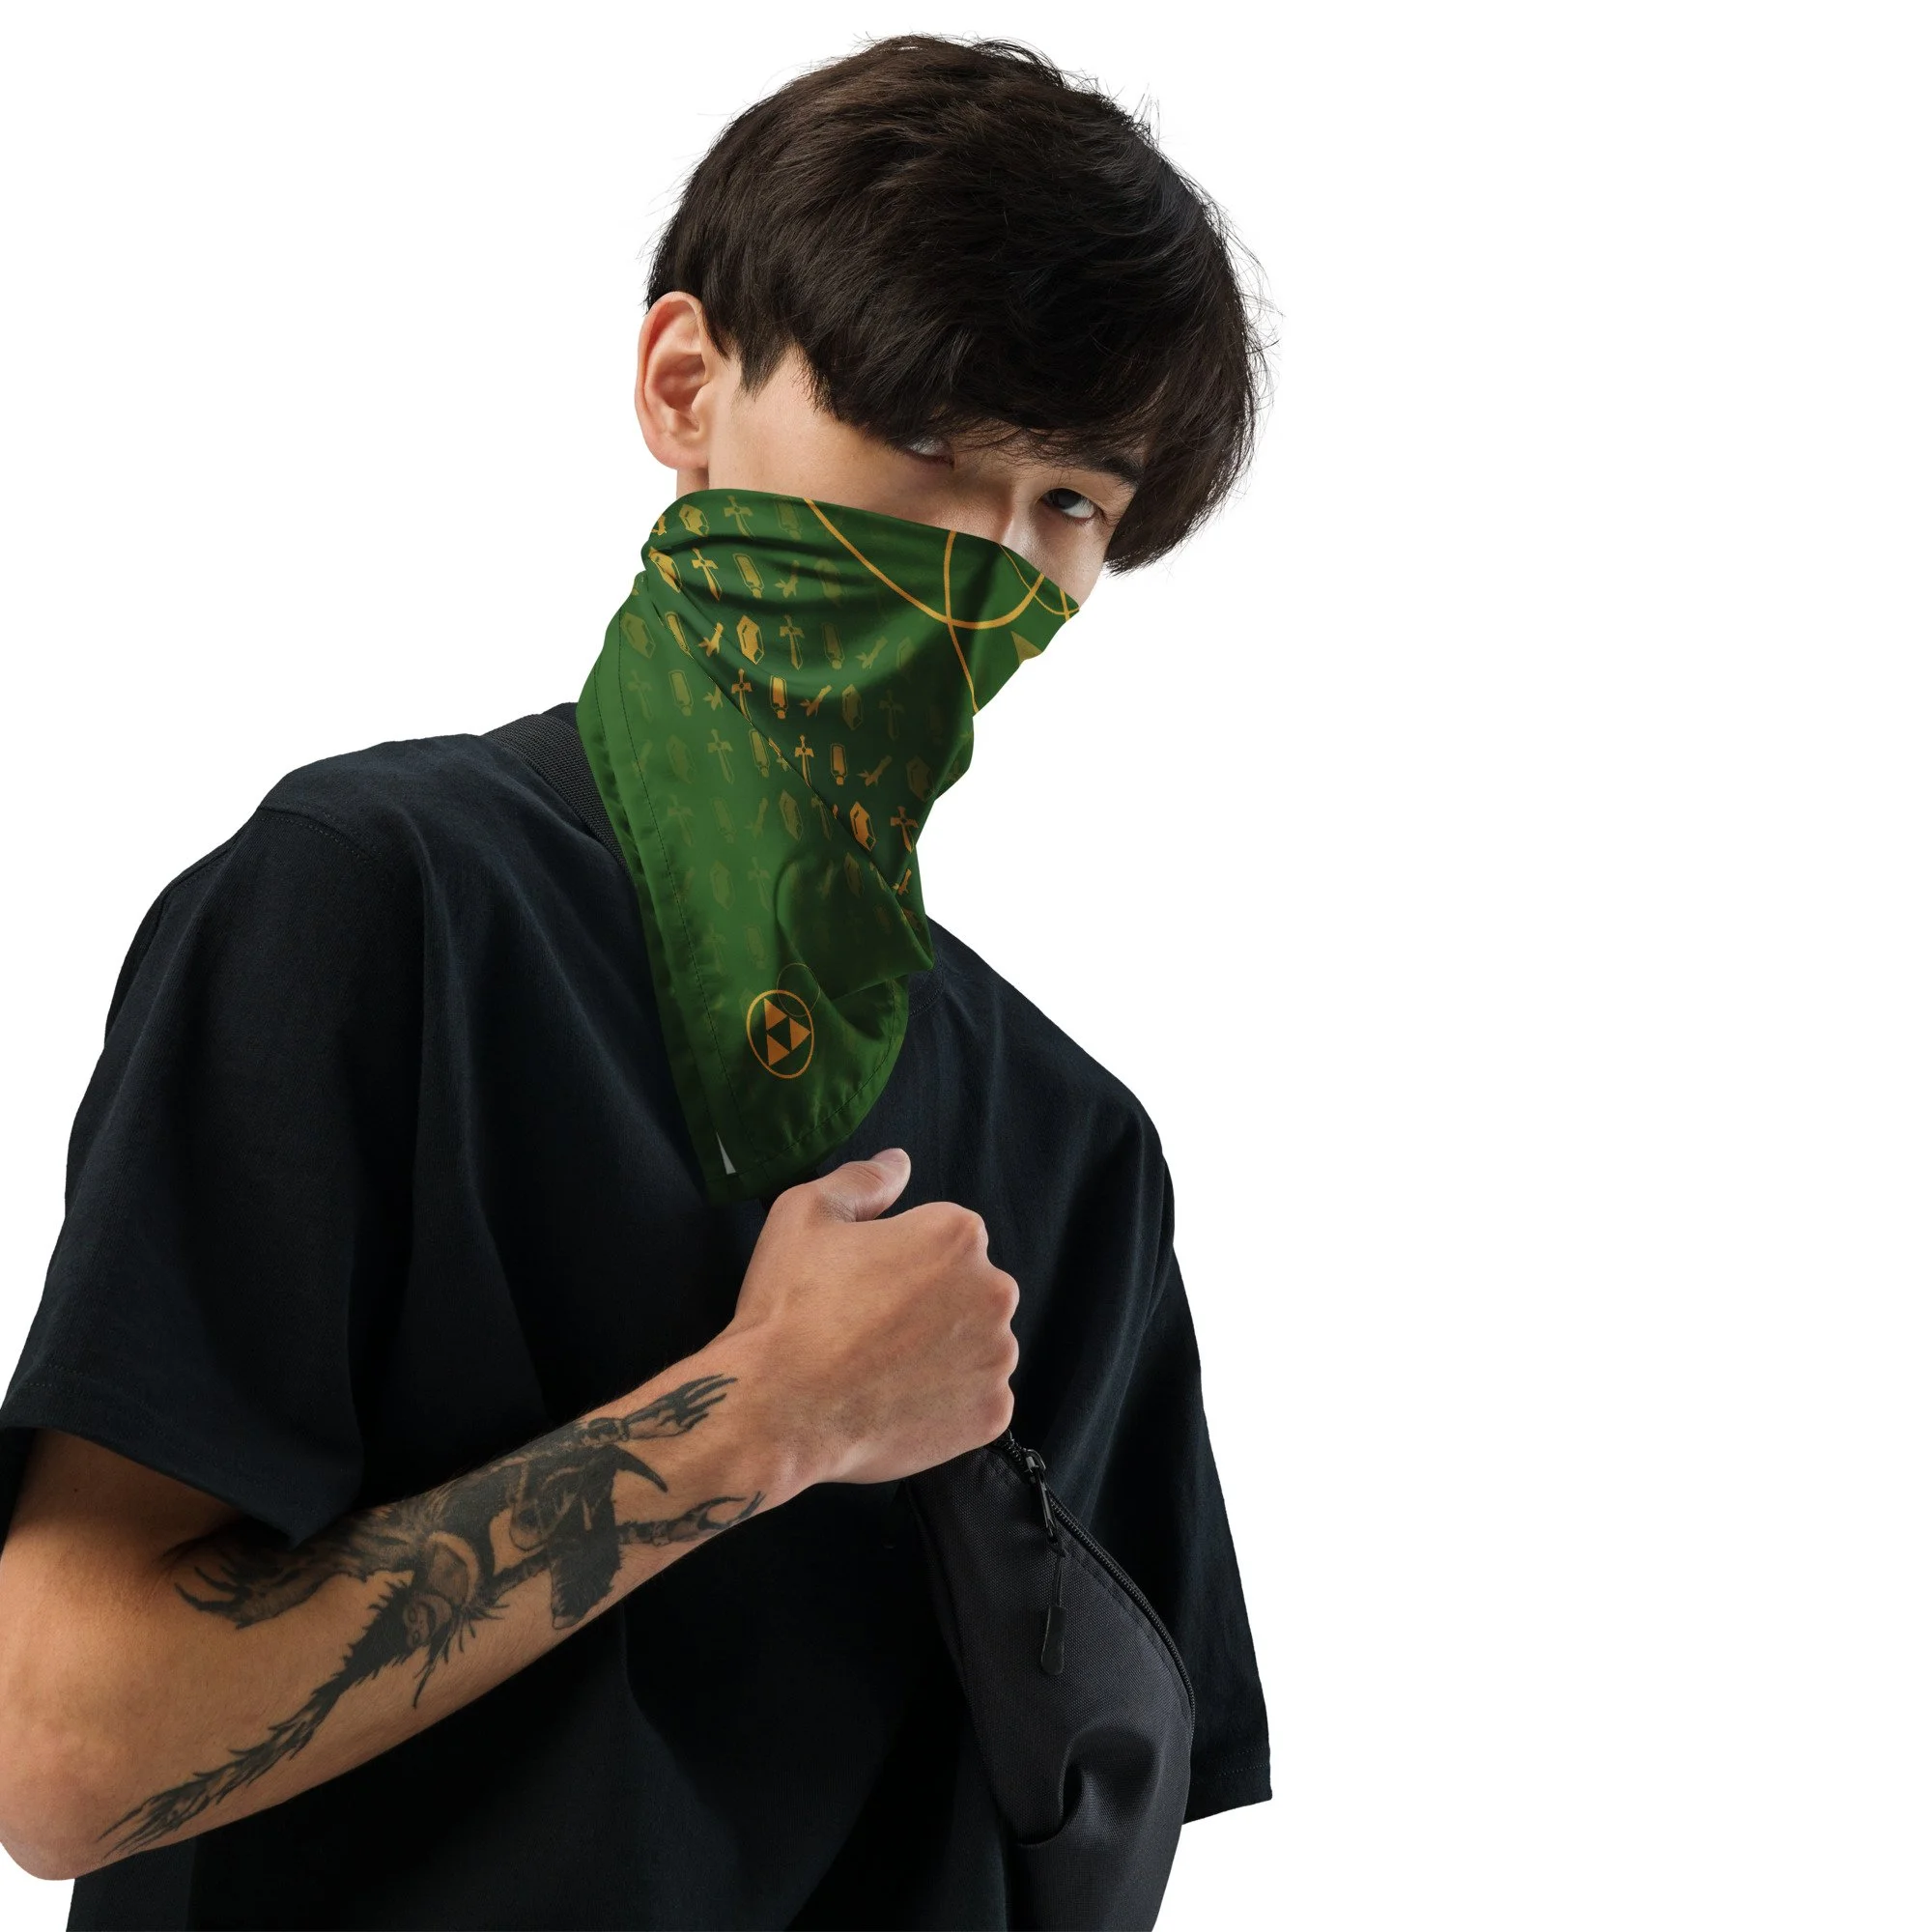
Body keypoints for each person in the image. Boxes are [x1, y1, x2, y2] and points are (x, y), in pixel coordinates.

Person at [0, 34, 1272, 1930]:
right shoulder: (379, 908)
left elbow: (1082, 1846)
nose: (983, 565)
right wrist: (757, 1420)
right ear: (687, 384)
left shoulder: (1078, 1148)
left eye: (1070, 503)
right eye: (927, 444)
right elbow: (63, 1746)